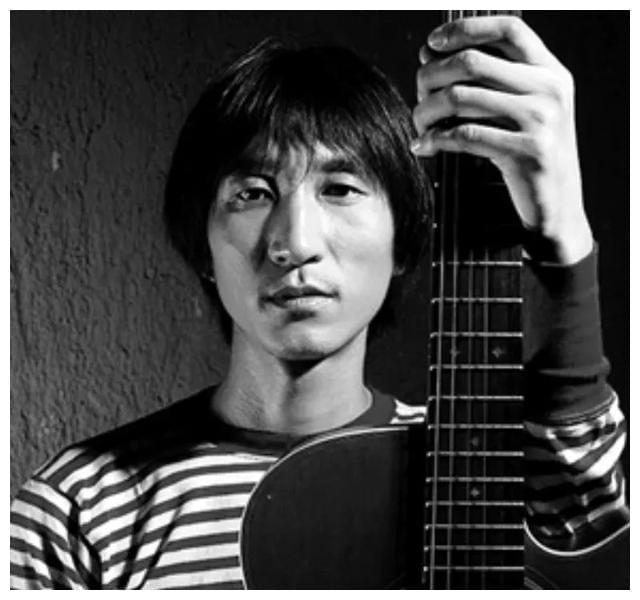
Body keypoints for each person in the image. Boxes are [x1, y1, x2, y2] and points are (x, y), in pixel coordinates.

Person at [10, 16, 627, 589]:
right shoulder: (77, 511)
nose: (295, 243)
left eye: (341, 188)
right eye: (253, 194)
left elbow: (592, 519)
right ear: (202, 244)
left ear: (405, 240)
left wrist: (562, 229)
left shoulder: (482, 476)